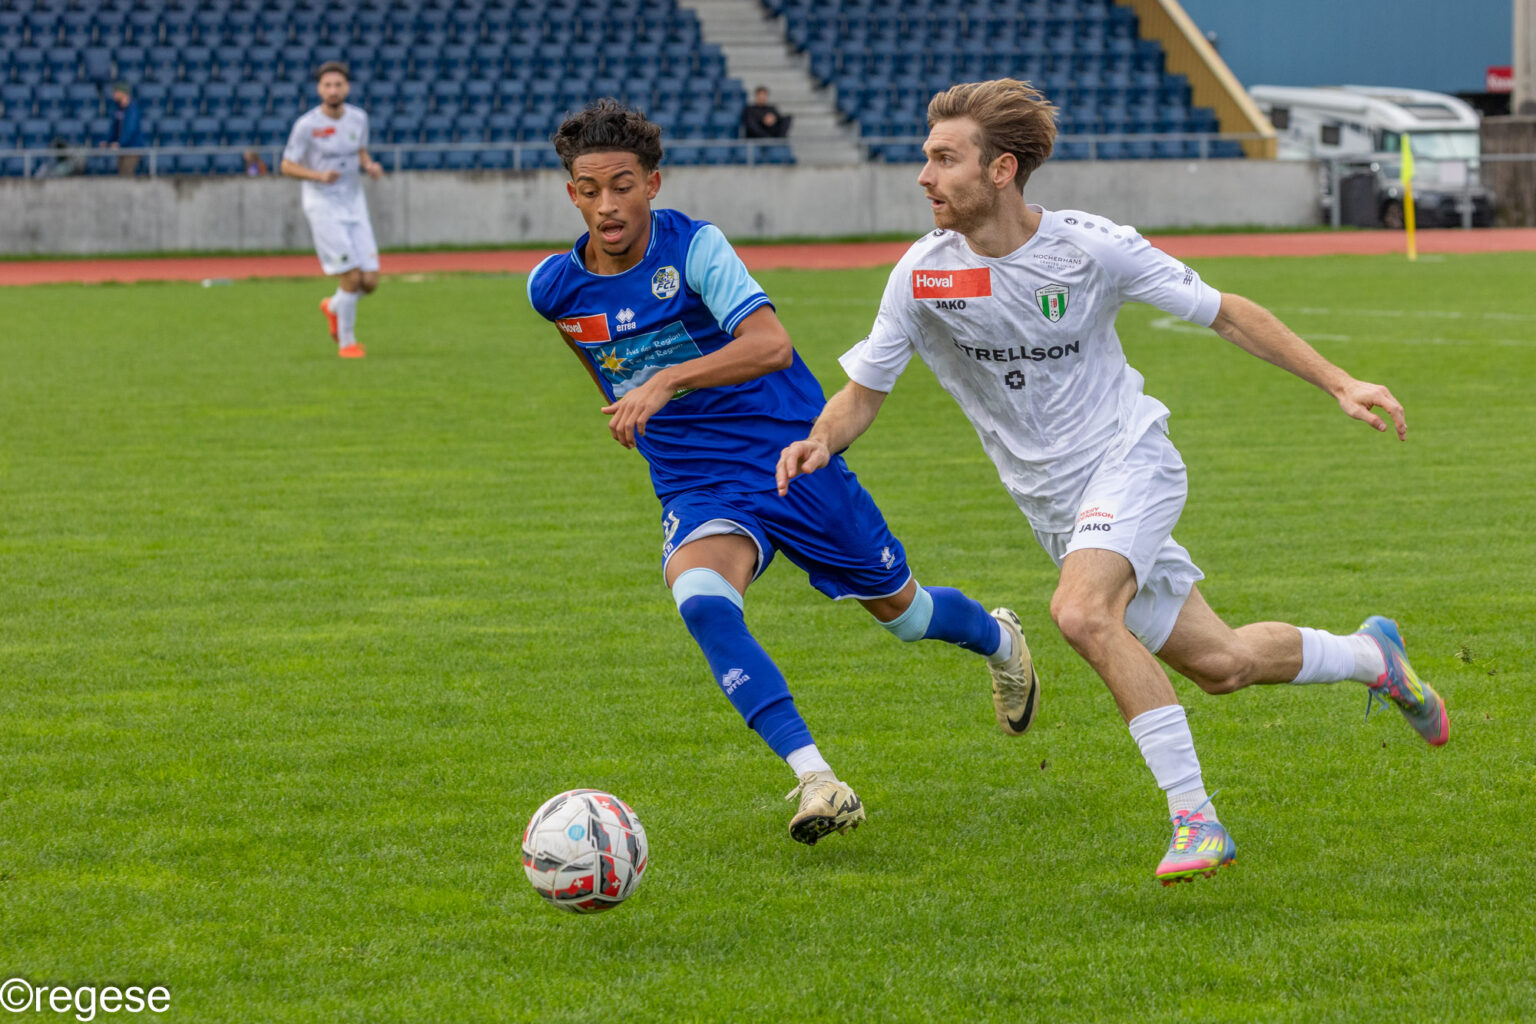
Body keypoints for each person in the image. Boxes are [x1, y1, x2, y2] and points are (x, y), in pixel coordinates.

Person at [777, 79, 1449, 884]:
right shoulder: (922, 276)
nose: (925, 176)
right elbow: (863, 393)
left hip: (1131, 462)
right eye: (927, 158)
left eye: (945, 159)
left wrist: (1339, 381)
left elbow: (1226, 311)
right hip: (1056, 508)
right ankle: (1374, 657)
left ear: (1001, 170)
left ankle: (1196, 820)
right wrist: (820, 440)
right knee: (1223, 665)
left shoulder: (1090, 247)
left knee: (1081, 612)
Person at [527, 99, 1041, 846]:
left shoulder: (694, 248)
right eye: (589, 189)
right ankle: (818, 779)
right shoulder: (553, 287)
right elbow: (593, 348)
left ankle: (998, 639)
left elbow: (770, 344)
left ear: (653, 184)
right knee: (702, 600)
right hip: (695, 481)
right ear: (571, 193)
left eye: (622, 185)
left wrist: (664, 380)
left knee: (907, 616)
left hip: (788, 457)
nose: (606, 204)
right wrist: (627, 401)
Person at [279, 61, 384, 359]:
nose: (333, 90)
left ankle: (334, 306)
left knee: (370, 281)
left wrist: (369, 166)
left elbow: (360, 151)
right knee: (350, 276)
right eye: (328, 85)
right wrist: (318, 176)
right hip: (323, 204)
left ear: (347, 87)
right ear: (319, 89)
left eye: (338, 84)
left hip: (354, 202)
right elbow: (286, 165)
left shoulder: (358, 118)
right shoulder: (307, 125)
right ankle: (347, 343)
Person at [101, 82, 145, 176]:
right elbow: (114, 128)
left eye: (116, 92)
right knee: (121, 173)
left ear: (123, 93)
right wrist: (108, 141)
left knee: (126, 174)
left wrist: (120, 143)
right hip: (124, 148)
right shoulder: (119, 108)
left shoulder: (132, 109)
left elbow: (129, 129)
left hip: (133, 148)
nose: (114, 94)